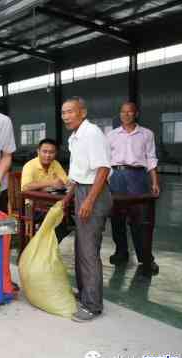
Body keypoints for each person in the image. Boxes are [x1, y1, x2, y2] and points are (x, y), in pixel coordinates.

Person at [61, 97, 112, 323]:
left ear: (82, 112)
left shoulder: (91, 134)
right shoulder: (76, 137)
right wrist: (68, 197)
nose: (66, 117)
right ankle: (85, 294)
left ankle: (92, 305)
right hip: (82, 190)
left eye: (70, 112)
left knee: (89, 250)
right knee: (82, 248)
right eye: (63, 113)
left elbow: (102, 170)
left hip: (95, 192)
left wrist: (89, 201)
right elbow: (78, 174)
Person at [107, 102, 160, 274]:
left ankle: (146, 259)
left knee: (141, 220)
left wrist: (155, 182)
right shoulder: (111, 135)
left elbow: (151, 159)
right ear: (120, 114)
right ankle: (121, 252)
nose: (126, 114)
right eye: (123, 112)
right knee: (116, 219)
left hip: (138, 177)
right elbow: (106, 162)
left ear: (136, 114)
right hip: (116, 177)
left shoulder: (146, 134)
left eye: (130, 112)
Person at [21, 138, 71, 242]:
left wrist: (59, 184)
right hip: (31, 206)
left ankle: (47, 247)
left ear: (56, 153)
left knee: (68, 221)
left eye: (51, 152)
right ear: (38, 151)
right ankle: (42, 245)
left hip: (51, 204)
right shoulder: (30, 166)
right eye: (45, 151)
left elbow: (66, 183)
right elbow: (25, 187)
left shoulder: (55, 164)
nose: (48, 155)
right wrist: (51, 183)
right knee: (57, 220)